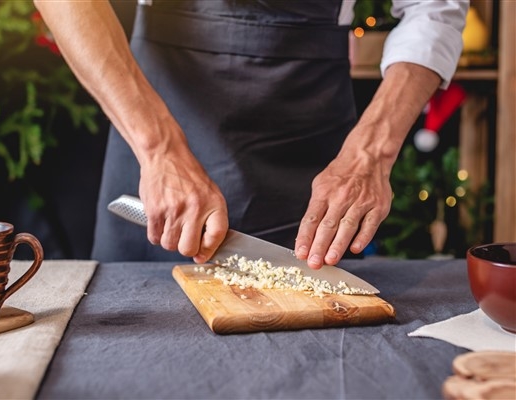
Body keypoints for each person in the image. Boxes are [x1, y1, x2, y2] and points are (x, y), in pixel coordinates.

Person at [34, 0, 467, 268]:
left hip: (305, 131)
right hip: (152, 121)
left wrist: (369, 155)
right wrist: (158, 148)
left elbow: (434, 8)